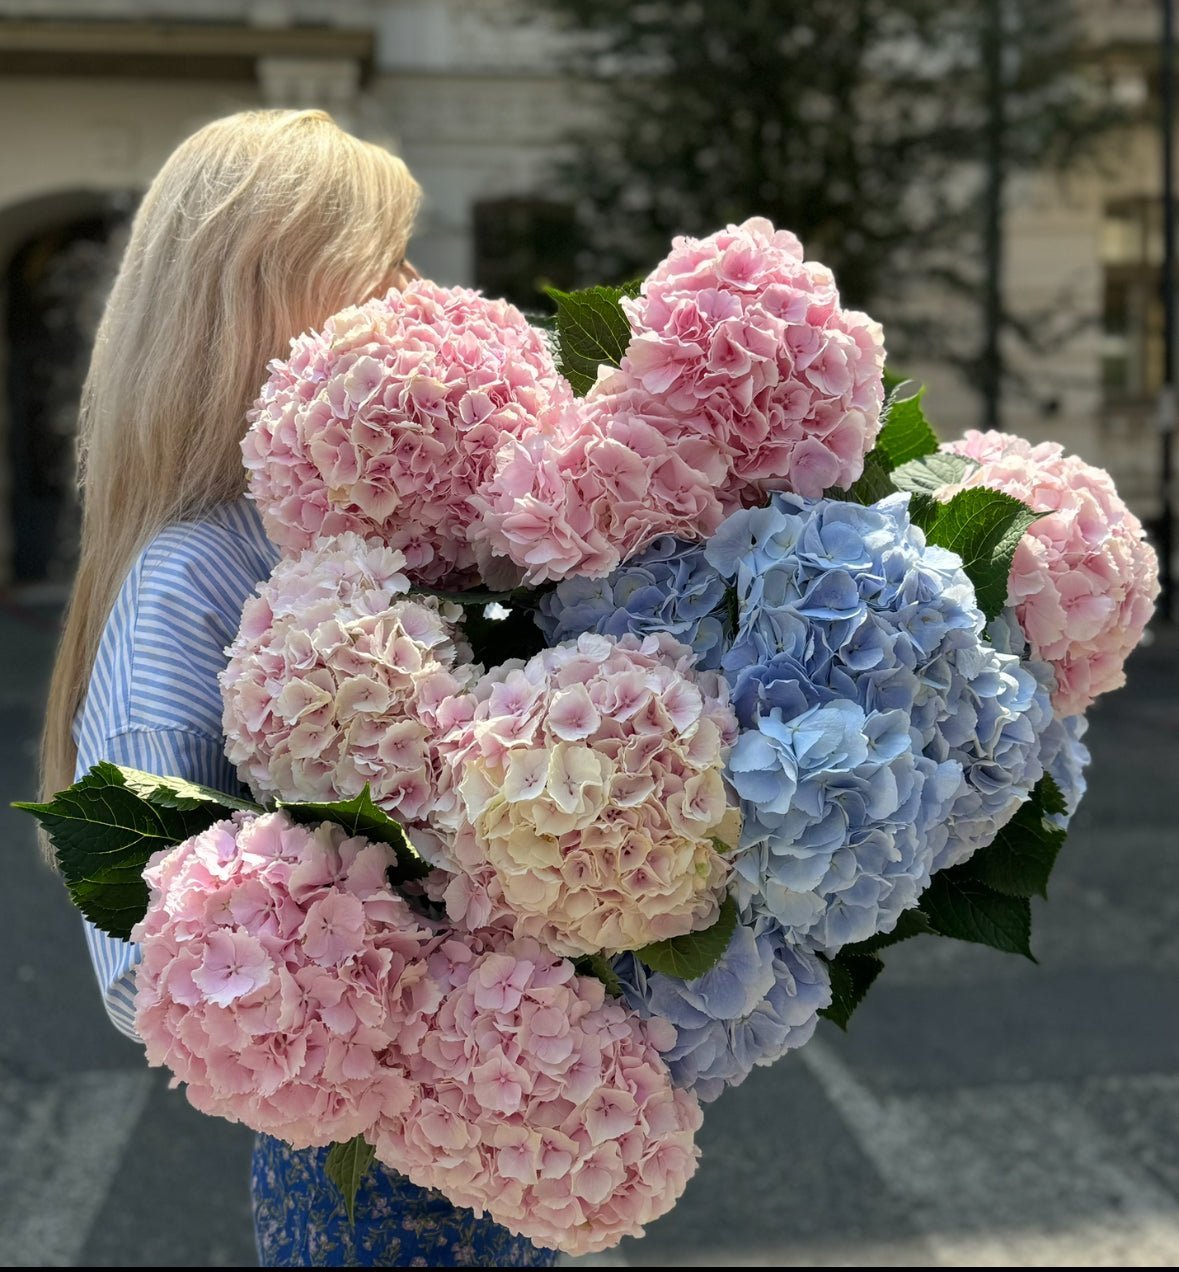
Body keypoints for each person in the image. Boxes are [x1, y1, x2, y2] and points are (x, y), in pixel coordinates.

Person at [40, 108, 557, 1270]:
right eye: (385, 258)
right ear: (274, 292)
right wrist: (404, 1000)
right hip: (377, 1182)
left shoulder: (409, 523)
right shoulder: (197, 571)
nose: (418, 287)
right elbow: (145, 967)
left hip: (521, 1124)